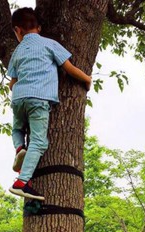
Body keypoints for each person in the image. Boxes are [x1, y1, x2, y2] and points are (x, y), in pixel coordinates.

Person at [8, 7, 91, 201]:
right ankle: (22, 182)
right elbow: (69, 68)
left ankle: (20, 148)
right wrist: (87, 79)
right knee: (38, 141)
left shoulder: (17, 51)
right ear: (39, 27)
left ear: (17, 30)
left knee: (17, 128)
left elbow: (12, 83)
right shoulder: (49, 44)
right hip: (39, 98)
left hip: (19, 98)